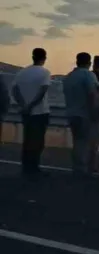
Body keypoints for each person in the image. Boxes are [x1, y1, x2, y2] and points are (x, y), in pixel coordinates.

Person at [11, 48, 52, 177]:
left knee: (27, 139)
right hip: (40, 112)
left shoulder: (22, 72)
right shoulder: (45, 72)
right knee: (38, 141)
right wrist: (31, 105)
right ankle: (34, 167)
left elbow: (15, 90)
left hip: (25, 112)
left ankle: (26, 166)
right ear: (44, 58)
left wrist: (23, 105)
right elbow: (43, 91)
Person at [61, 52, 99, 175]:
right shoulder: (88, 75)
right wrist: (95, 111)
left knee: (77, 141)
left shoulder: (69, 76)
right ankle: (85, 168)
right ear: (89, 63)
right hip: (85, 113)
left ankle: (77, 166)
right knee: (87, 142)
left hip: (71, 113)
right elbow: (92, 93)